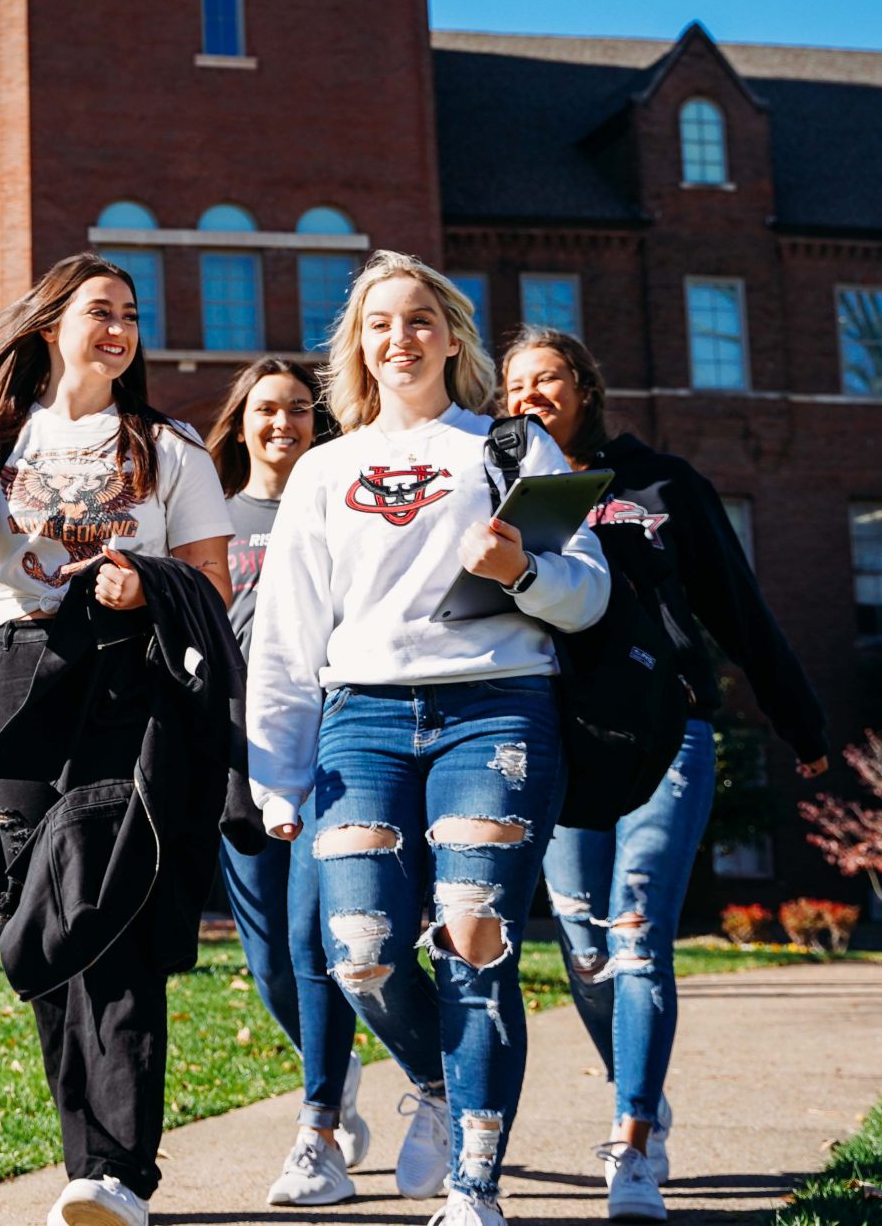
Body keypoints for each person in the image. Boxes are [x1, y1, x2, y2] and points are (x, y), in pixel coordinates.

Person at [247, 251, 612, 1226]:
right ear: (358, 346)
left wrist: (520, 571)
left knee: (474, 937)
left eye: (418, 319)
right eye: (379, 323)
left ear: (451, 336)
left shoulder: (509, 449)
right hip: (360, 720)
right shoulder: (325, 468)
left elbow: (589, 594)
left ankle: (474, 1189)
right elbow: (286, 633)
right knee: (360, 951)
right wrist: (276, 775)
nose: (398, 337)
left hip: (496, 712)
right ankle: (441, 1085)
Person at [0, 252, 239, 1226]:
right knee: (43, 907)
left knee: (112, 900)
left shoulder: (168, 446)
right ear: (50, 324)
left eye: (131, 315)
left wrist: (147, 588)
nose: (119, 329)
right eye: (100, 310)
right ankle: (87, 1167)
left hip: (126, 674)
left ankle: (117, 1167)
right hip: (17, 670)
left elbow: (212, 584)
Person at [499, 327, 830, 1220]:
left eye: (548, 379)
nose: (531, 396)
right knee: (583, 941)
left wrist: (799, 720)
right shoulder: (512, 501)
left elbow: (738, 605)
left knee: (638, 925)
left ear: (585, 388)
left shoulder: (663, 485)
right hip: (565, 736)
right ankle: (636, 1080)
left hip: (668, 726)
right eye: (516, 385)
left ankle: (633, 1139)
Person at [203, 357, 417, 1204]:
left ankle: (323, 1110)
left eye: (299, 408)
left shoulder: (340, 501)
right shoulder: (214, 517)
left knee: (317, 940)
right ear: (241, 422)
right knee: (269, 962)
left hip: (331, 746)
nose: (282, 422)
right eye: (266, 408)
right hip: (237, 752)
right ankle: (337, 1068)